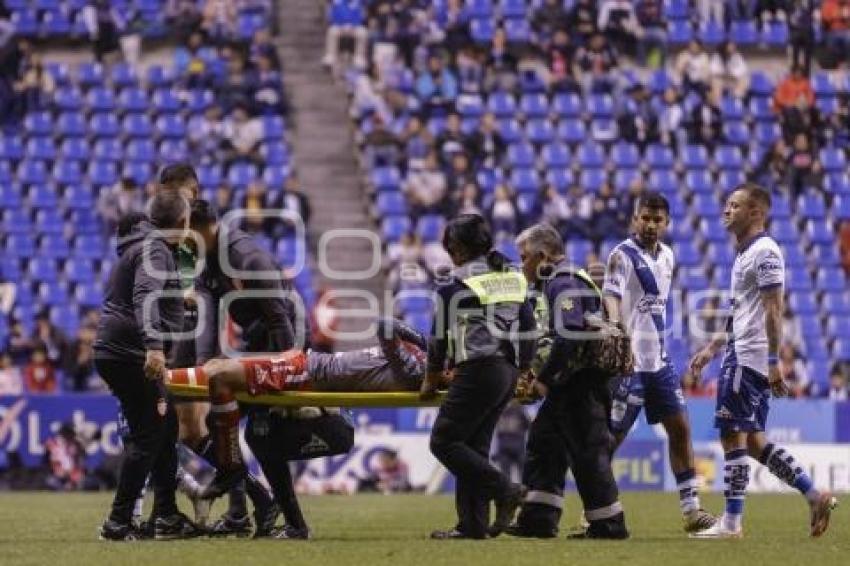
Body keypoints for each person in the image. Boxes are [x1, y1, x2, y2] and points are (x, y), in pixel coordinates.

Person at [687, 183, 837, 539]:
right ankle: (814, 495)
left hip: (748, 357)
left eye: (734, 205)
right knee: (754, 442)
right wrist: (711, 349)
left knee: (731, 436)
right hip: (744, 353)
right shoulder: (744, 253)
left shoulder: (765, 252)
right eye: (726, 203)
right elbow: (742, 310)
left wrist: (773, 361)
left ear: (756, 212)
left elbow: (774, 309)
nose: (726, 210)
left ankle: (731, 524)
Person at [603, 193, 716, 533]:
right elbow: (612, 295)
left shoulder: (668, 256)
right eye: (645, 218)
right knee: (612, 439)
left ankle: (692, 510)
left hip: (659, 362)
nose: (651, 225)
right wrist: (617, 331)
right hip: (629, 362)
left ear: (666, 224)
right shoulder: (621, 255)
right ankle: (597, 509)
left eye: (658, 220)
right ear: (634, 219)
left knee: (680, 429)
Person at [508, 223, 628, 540]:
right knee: (545, 442)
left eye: (524, 258)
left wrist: (544, 380)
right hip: (576, 381)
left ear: (542, 255)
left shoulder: (563, 283)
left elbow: (567, 336)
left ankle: (609, 524)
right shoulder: (567, 279)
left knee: (587, 452)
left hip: (581, 383)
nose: (522, 266)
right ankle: (538, 518)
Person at [420, 214, 535, 540]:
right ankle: (473, 525)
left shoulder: (453, 285)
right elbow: (527, 326)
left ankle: (506, 490)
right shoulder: (513, 276)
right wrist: (525, 370)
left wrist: (430, 378)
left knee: (444, 441)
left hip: (478, 370)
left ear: (456, 248)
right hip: (506, 372)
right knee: (474, 446)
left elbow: (437, 339)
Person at [94, 191, 201, 541]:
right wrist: (155, 347)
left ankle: (166, 516)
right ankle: (118, 522)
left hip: (117, 348)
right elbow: (144, 296)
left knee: (165, 427)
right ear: (182, 223)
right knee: (149, 435)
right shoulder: (154, 249)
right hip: (132, 353)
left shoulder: (147, 246)